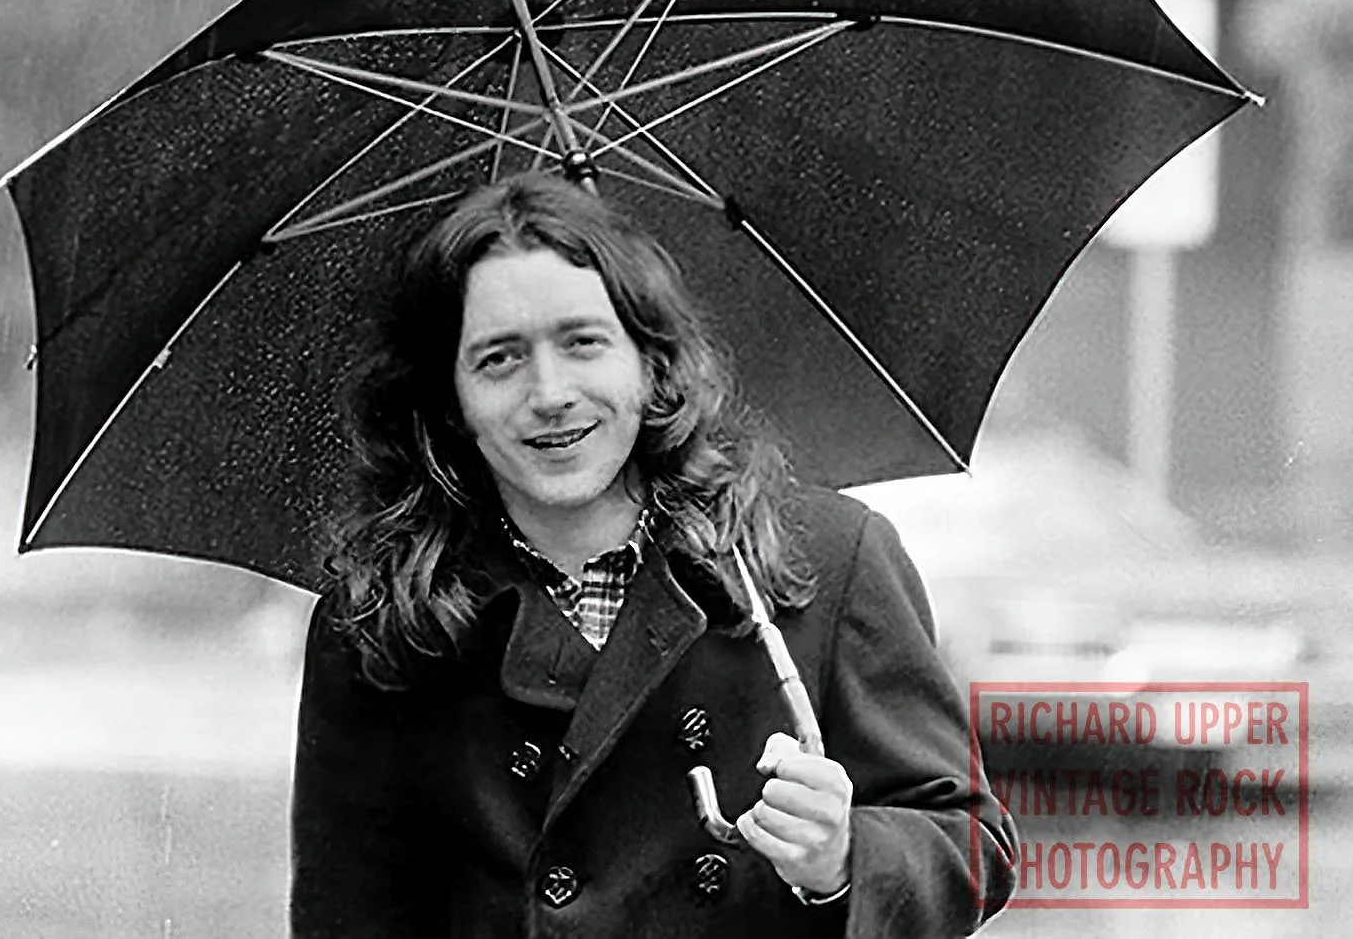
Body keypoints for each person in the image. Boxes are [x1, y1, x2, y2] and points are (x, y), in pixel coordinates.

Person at [290, 171, 1018, 937]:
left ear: (650, 361)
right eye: (499, 358)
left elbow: (969, 840)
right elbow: (343, 918)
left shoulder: (827, 558)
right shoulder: (381, 618)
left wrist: (841, 856)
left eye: (584, 342)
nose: (550, 392)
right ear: (451, 399)